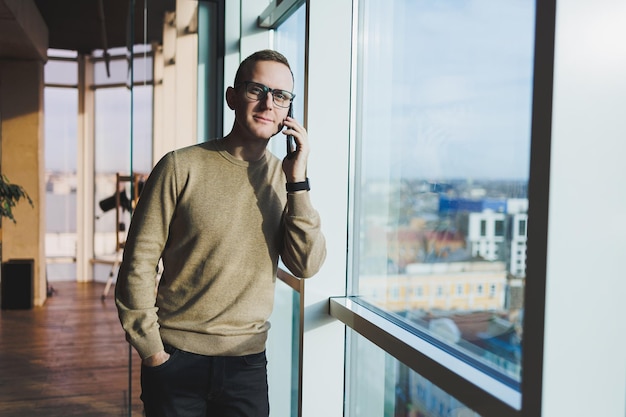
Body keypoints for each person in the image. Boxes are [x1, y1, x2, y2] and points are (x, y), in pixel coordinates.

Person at [115, 49, 326, 417]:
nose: (267, 103)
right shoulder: (180, 166)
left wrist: (298, 182)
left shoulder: (286, 179)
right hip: (175, 358)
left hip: (246, 365)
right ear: (232, 97)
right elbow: (138, 263)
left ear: (288, 111)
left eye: (280, 96)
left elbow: (305, 265)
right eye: (255, 89)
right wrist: (152, 352)